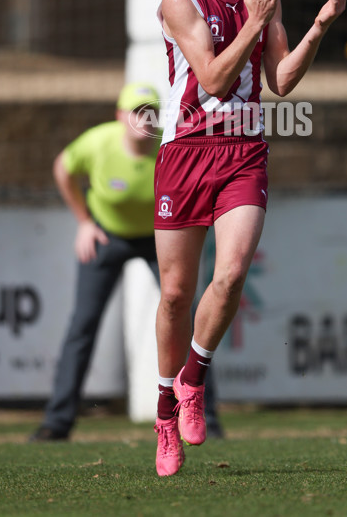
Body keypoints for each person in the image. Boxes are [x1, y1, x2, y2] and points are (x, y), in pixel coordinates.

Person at [152, 0, 347, 476]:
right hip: (186, 150)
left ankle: (194, 379)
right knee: (176, 294)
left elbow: (281, 81)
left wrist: (318, 25)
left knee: (233, 271)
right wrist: (255, 21)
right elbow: (211, 77)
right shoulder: (178, 0)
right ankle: (165, 412)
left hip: (242, 151)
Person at [29, 81, 223, 442]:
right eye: (135, 111)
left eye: (150, 111)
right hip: (108, 236)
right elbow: (62, 169)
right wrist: (85, 222)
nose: (143, 119)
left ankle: (205, 415)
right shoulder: (98, 143)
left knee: (194, 318)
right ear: (120, 116)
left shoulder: (173, 143)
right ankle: (57, 422)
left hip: (159, 238)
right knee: (83, 325)